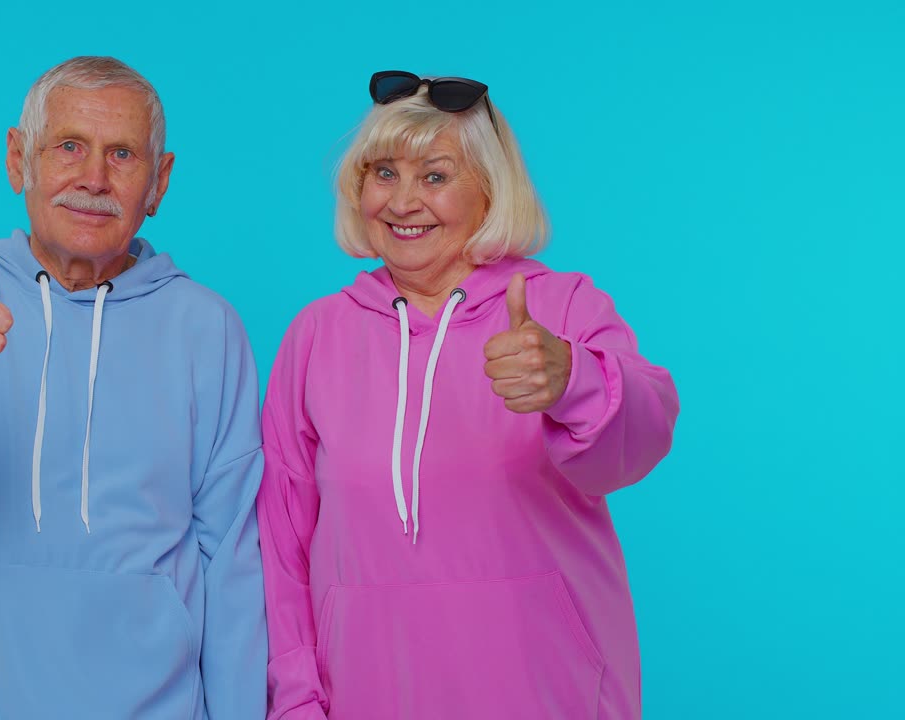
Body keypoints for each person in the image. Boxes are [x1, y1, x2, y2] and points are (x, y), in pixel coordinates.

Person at [0, 56, 266, 719]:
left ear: (158, 182)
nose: (93, 178)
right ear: (20, 160)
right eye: (69, 146)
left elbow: (234, 563)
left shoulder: (207, 328)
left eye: (122, 154)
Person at [257, 70, 679, 719]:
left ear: (489, 187)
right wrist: (294, 694)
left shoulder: (558, 306)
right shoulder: (319, 334)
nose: (402, 201)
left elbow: (645, 433)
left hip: (544, 690)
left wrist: (571, 377)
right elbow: (281, 535)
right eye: (384, 173)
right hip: (365, 692)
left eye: (435, 176)